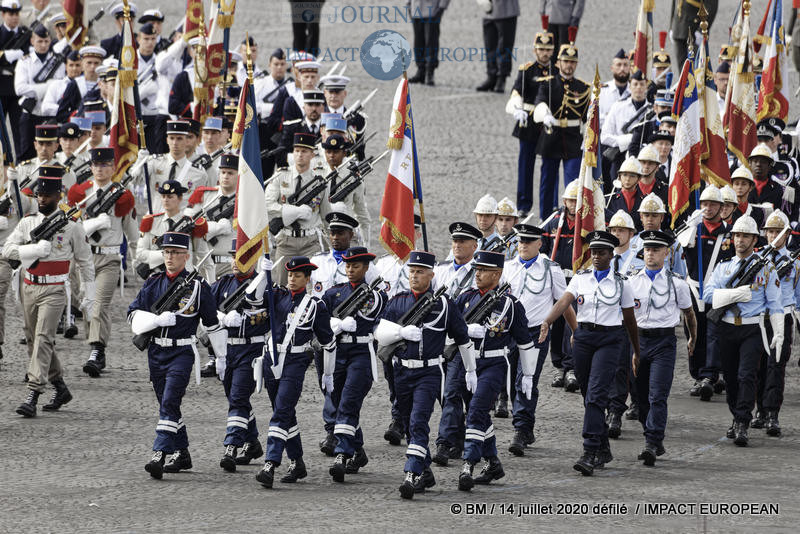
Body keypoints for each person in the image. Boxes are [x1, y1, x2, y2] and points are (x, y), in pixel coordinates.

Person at [540, 230, 640, 476]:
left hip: (610, 340)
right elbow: (564, 302)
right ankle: (603, 447)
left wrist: (636, 351)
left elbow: (629, 320)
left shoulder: (622, 283)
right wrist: (547, 321)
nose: (596, 256)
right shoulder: (580, 278)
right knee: (588, 395)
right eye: (593, 252)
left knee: (596, 395)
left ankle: (590, 450)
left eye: (601, 252)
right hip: (584, 338)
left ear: (610, 255)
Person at [128, 231, 226, 479]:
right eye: (167, 252)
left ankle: (158, 454)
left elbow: (212, 324)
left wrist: (222, 357)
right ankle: (182, 454)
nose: (170, 257)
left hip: (182, 351)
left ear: (186, 256)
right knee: (166, 405)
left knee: (170, 402)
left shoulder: (198, 286)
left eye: (175, 253)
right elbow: (132, 315)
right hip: (156, 350)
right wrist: (155, 320)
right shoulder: (153, 282)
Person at [374, 250, 471, 499]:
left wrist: (470, 370)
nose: (414, 276)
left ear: (431, 275)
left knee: (419, 422)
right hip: (402, 371)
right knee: (407, 424)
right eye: (412, 272)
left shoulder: (445, 305)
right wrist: (401, 334)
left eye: (420, 272)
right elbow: (380, 333)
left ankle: (411, 473)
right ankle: (425, 471)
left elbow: (462, 338)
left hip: (429, 372)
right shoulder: (398, 301)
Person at [5, 166, 95, 417]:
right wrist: (31, 251)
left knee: (44, 337)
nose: (42, 199)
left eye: (47, 195)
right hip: (29, 285)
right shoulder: (28, 222)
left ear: (59, 196)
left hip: (55, 289)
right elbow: (7, 250)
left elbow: (85, 260)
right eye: (39, 196)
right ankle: (60, 386)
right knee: (34, 340)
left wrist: (90, 293)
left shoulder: (71, 226)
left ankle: (33, 393)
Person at [453, 250, 533, 491]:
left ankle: (468, 463)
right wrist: (466, 331)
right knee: (477, 413)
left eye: (484, 270)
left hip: (494, 364)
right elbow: (451, 331)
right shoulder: (464, 298)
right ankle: (493, 462)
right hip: (468, 363)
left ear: (497, 274)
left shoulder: (510, 305)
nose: (478, 274)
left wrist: (527, 374)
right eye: (476, 270)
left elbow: (524, 341)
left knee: (476, 411)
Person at [255, 256, 336, 489]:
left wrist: (328, 374)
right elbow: (252, 298)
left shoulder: (315, 306)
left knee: (281, 412)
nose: (292, 279)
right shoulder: (277, 295)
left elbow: (328, 342)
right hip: (272, 358)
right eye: (289, 275)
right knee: (285, 413)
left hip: (295, 361)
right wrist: (263, 274)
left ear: (307, 278)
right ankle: (297, 462)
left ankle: (270, 463)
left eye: (297, 275)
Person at [703, 215, 782, 447]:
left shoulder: (766, 269)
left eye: (745, 236)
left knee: (746, 375)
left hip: (752, 329)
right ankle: (736, 414)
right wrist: (733, 294)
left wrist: (779, 331)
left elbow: (775, 303)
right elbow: (707, 295)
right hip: (727, 326)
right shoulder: (723, 267)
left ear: (754, 239)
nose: (740, 240)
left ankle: (742, 421)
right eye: (737, 235)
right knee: (730, 377)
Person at [66, 148, 136, 377]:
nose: (100, 169)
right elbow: (72, 229)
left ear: (113, 167)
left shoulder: (122, 196)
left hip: (109, 257)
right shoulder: (81, 194)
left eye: (105, 165)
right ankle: (98, 349)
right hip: (85, 258)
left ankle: (96, 349)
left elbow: (131, 232)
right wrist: (95, 223)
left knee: (99, 304)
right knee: (88, 305)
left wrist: (140, 257)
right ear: (90, 167)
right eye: (96, 165)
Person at [628, 230, 695, 465]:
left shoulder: (677, 283)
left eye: (656, 249)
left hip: (664, 342)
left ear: (666, 253)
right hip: (638, 341)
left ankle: (652, 441)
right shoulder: (632, 281)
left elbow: (689, 313)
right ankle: (653, 437)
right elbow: (624, 315)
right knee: (639, 395)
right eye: (647, 249)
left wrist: (692, 338)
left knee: (658, 395)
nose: (650, 254)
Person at [504, 223, 570, 456]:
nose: (523, 245)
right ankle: (525, 424)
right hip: (508, 333)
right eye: (521, 241)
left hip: (535, 333)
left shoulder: (550, 269)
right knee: (512, 380)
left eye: (529, 241)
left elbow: (564, 301)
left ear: (540, 244)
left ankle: (521, 429)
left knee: (526, 379)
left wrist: (576, 333)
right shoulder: (507, 268)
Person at [322, 246, 386, 482]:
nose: (350, 270)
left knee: (349, 402)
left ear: (366, 268)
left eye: (356, 266)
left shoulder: (375, 294)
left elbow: (375, 312)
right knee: (338, 403)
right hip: (337, 353)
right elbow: (321, 317)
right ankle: (357, 451)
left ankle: (342, 453)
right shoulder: (334, 293)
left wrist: (354, 324)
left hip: (361, 352)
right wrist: (335, 324)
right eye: (348, 265)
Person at [212, 244, 273, 472]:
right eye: (233, 258)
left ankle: (231, 446)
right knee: (235, 397)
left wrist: (267, 280)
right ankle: (252, 441)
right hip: (227, 350)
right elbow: (205, 309)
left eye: (241, 258)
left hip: (252, 350)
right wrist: (222, 317)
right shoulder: (223, 283)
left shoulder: (264, 286)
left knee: (238, 397)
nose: (235, 262)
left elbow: (274, 315)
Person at [432, 222, 480, 465]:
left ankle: (447, 443)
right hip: (440, 339)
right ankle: (457, 440)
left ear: (475, 245)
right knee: (447, 393)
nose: (457, 245)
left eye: (463, 241)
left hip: (464, 341)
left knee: (457, 393)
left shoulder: (479, 272)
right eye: (455, 241)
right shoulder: (439, 270)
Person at [534, 38, 591, 218]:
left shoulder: (582, 87)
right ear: (558, 63)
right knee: (547, 182)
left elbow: (587, 116)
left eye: (573, 62)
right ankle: (545, 219)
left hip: (573, 139)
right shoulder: (548, 83)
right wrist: (545, 114)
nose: (569, 65)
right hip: (551, 137)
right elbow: (540, 102)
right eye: (566, 61)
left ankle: (572, 219)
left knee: (573, 182)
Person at [265, 132, 332, 286]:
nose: (300, 155)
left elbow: (325, 216)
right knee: (282, 285)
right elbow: (267, 204)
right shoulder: (281, 176)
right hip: (286, 240)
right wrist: (293, 212)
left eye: (304, 151)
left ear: (312, 154)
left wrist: (332, 246)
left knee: (313, 286)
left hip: (311, 241)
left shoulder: (318, 182)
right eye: (297, 151)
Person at [753, 211, 796, 437]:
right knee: (758, 364)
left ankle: (772, 413)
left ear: (787, 234)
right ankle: (759, 410)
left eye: (778, 232)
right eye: (770, 231)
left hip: (783, 316)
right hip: (760, 317)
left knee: (776, 365)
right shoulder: (756, 258)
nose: (773, 236)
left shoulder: (795, 262)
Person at [506, 27, 553, 218]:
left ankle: (549, 206)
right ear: (535, 50)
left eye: (548, 49)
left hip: (547, 124)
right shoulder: (527, 70)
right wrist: (516, 108)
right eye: (541, 49)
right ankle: (524, 203)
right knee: (525, 164)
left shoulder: (556, 71)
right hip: (527, 122)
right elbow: (516, 91)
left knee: (549, 166)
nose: (544, 53)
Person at [606, 210, 643, 437]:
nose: (617, 234)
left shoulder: (639, 260)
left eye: (621, 230)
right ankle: (614, 410)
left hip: (633, 320)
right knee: (616, 369)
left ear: (631, 233)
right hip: (610, 320)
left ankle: (637, 402)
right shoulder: (603, 258)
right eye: (614, 230)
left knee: (634, 366)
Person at [540, 180, 578, 391]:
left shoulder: (587, 222)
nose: (573, 204)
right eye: (570, 200)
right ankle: (559, 367)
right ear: (564, 201)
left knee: (572, 324)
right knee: (557, 325)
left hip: (577, 280)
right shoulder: (554, 221)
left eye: (576, 200)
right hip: (557, 280)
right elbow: (541, 244)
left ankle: (571, 366)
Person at [135, 180, 212, 281]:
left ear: (180, 198)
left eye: (170, 197)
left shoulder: (191, 223)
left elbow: (203, 256)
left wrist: (212, 283)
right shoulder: (151, 222)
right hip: (157, 277)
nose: (166, 200)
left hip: (184, 279)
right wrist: (166, 254)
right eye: (163, 197)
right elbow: (140, 253)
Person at [131, 120, 208, 213]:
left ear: (186, 140)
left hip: (180, 223)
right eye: (172, 138)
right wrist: (139, 162)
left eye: (179, 138)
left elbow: (201, 203)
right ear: (167, 140)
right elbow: (134, 181)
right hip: (155, 220)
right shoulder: (154, 163)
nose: (175, 143)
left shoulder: (199, 173)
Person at [185, 153, 238, 279]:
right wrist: (215, 227)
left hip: (231, 265)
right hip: (204, 263)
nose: (225, 176)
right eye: (223, 172)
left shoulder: (246, 200)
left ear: (239, 175)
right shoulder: (204, 195)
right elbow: (188, 225)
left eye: (230, 173)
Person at [14, 23, 62, 161]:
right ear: (32, 41)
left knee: (52, 155)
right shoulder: (25, 62)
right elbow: (20, 88)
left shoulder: (57, 61)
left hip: (50, 115)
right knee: (26, 155)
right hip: (30, 115)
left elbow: (60, 87)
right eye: (39, 41)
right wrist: (47, 87)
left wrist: (36, 89)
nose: (43, 45)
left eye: (46, 41)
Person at [632, 193, 688, 277]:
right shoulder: (632, 242)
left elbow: (680, 276)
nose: (650, 219)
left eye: (654, 216)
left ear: (662, 217)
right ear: (641, 217)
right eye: (646, 215)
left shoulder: (673, 245)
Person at [476, 0, 520, 93]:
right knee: (489, 45)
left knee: (504, 46)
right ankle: (491, 75)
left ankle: (501, 77)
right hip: (488, 10)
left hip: (506, 10)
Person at [407, 0, 449, 86]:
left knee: (431, 42)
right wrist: (408, 4)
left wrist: (442, 7)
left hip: (433, 10)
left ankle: (430, 72)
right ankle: (420, 70)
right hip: (416, 8)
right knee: (418, 41)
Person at [670, 0, 718, 68]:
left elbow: (711, 7)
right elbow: (674, 3)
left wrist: (701, 30)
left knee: (696, 67)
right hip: (678, 27)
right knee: (682, 69)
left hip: (694, 29)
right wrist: (672, 26)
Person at [606, 156, 645, 231]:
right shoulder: (608, 200)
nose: (627, 179)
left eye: (632, 176)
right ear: (619, 177)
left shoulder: (644, 200)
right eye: (625, 175)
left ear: (639, 179)